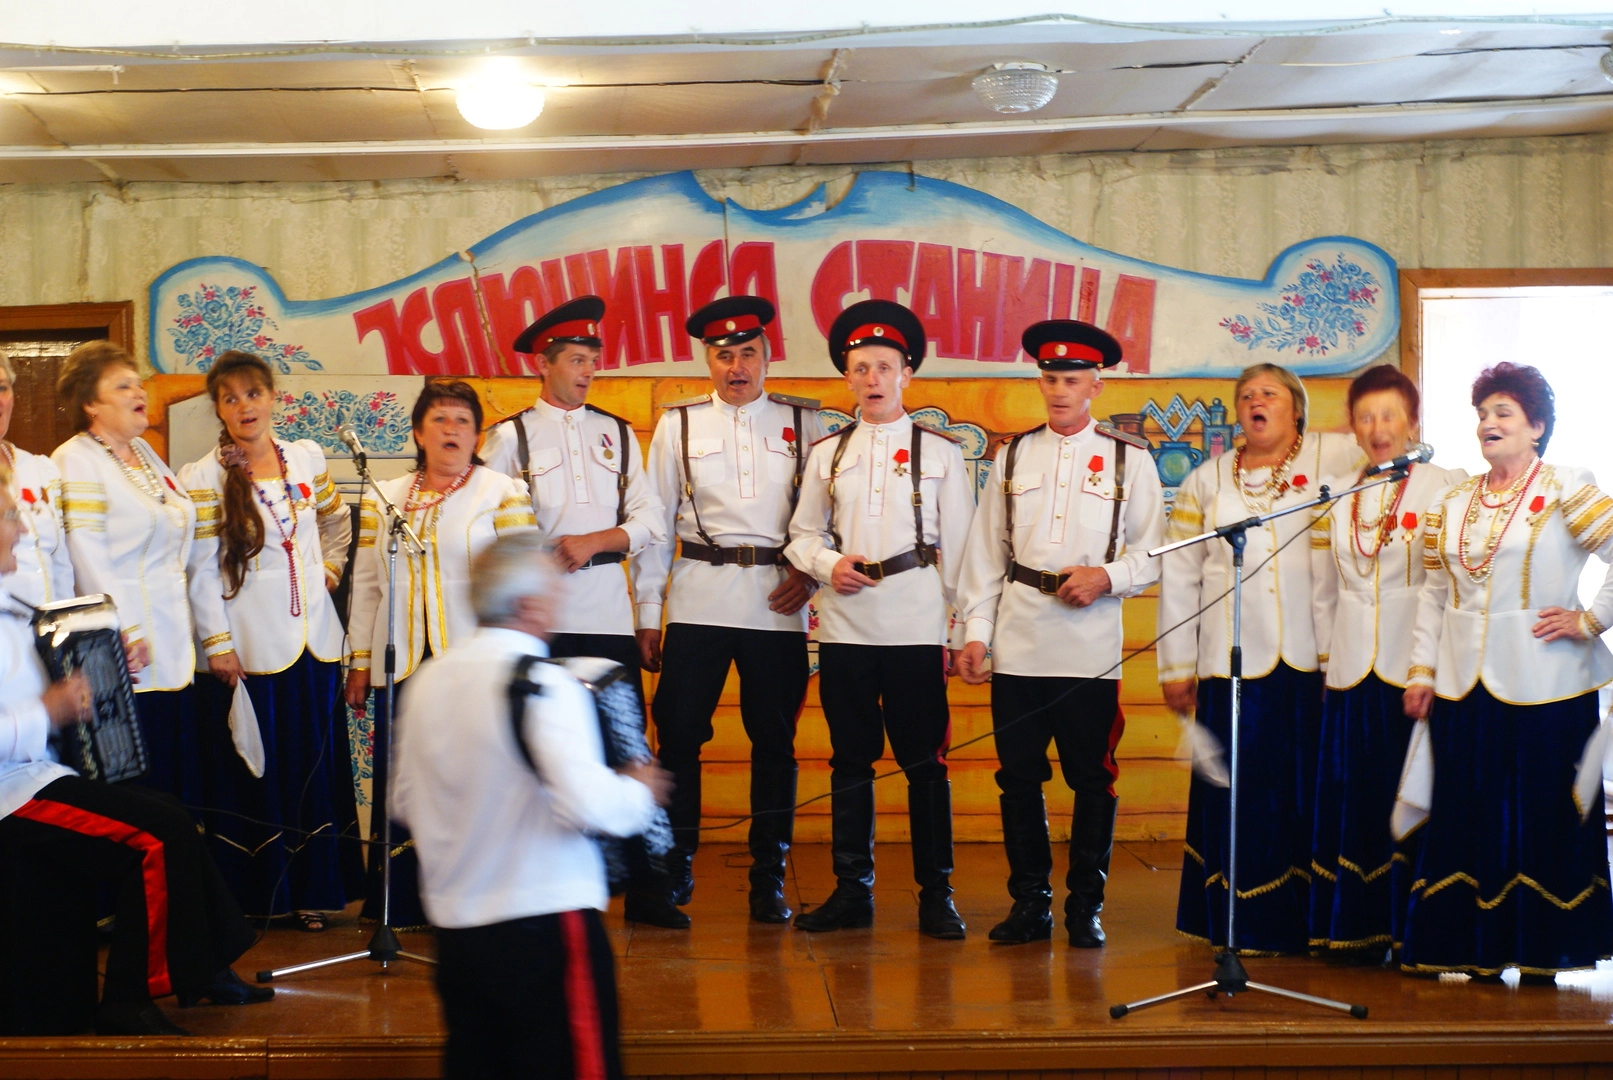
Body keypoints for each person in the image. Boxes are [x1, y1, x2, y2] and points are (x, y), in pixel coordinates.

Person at [0, 471, 272, 1037]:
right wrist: (47, 712)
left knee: (171, 814)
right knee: (156, 836)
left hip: (37, 773)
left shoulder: (12, 605)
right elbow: (36, 709)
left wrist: (104, 659)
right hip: (11, 791)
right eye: (8, 517)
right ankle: (130, 996)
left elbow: (43, 675)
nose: (22, 528)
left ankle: (203, 967)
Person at [392, 530, 670, 1080]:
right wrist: (640, 788)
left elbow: (403, 800)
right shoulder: (543, 684)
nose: (559, 601)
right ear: (527, 604)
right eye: (552, 590)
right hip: (546, 925)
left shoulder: (428, 681)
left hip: (457, 928)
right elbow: (592, 806)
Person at [955, 320, 1164, 948]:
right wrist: (976, 633)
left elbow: (1154, 553)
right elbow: (985, 556)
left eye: (1072, 380)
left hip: (1088, 648)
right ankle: (1031, 905)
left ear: (1096, 385)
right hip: (1020, 642)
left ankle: (1084, 908)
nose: (1059, 390)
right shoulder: (1013, 455)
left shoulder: (1131, 460)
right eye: (1050, 378)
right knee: (1018, 777)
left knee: (1091, 778)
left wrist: (1107, 576)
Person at [1400, 362, 1613, 979]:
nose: (1488, 423)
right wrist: (1421, 671)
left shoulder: (1567, 485)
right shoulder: (1453, 501)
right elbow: (1433, 594)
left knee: (1545, 813)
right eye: (1482, 414)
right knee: (1469, 813)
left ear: (1536, 426)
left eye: (1503, 412)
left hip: (1549, 683)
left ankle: (1543, 950)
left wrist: (1591, 619)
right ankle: (1478, 949)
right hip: (1463, 685)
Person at [1156, 362, 1363, 954]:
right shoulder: (1206, 480)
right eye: (1246, 395)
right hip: (1229, 662)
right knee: (1242, 795)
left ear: (1295, 407)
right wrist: (1176, 665)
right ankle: (1245, 921)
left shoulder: (1336, 457)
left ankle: (1313, 922)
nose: (1256, 402)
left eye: (1269, 393)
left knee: (1305, 791)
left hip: (1310, 660)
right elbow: (1180, 576)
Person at [481, 297, 674, 928]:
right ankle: (544, 883)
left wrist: (600, 542)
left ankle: (646, 887)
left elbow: (651, 518)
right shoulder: (509, 437)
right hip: (541, 616)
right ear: (544, 365)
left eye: (593, 359)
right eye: (575, 359)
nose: (588, 370)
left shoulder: (617, 433)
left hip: (607, 610)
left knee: (624, 746)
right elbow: (488, 526)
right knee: (540, 746)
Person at [631, 296, 824, 925]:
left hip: (776, 601)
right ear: (707, 362)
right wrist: (648, 612)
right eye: (723, 355)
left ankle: (769, 875)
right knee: (679, 736)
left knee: (775, 742)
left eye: (747, 353)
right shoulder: (679, 425)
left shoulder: (805, 423)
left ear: (767, 357)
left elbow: (827, 515)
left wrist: (808, 575)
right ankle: (676, 863)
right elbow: (656, 523)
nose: (736, 367)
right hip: (698, 596)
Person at [785, 299, 974, 939]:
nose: (872, 378)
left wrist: (964, 632)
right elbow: (802, 535)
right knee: (850, 761)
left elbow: (965, 555)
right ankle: (851, 892)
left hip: (915, 625)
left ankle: (937, 896)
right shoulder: (828, 453)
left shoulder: (940, 453)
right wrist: (827, 563)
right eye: (861, 367)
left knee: (925, 764)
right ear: (847, 377)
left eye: (884, 367)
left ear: (906, 374)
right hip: (845, 627)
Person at [180, 350, 365, 929]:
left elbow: (337, 522)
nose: (244, 406)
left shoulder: (305, 458)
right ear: (219, 409)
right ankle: (260, 896)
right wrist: (217, 642)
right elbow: (199, 569)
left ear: (272, 398)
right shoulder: (202, 477)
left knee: (314, 765)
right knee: (259, 770)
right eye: (230, 398)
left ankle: (314, 892)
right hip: (252, 648)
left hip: (316, 646)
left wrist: (329, 570)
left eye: (253, 393)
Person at [345, 379, 536, 929]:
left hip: (477, 666)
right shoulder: (384, 496)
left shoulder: (501, 492)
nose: (451, 430)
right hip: (402, 663)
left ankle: (476, 898)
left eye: (462, 421)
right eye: (440, 420)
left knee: (472, 776)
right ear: (418, 433)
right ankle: (401, 902)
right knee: (406, 779)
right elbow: (367, 585)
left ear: (477, 436)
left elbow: (521, 578)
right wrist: (360, 659)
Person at [1308, 364, 1464, 958]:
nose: (1378, 429)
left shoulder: (1446, 486)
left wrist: (1432, 665)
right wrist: (1327, 662)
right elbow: (1324, 590)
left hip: (1414, 666)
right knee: (1358, 797)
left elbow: (1447, 585)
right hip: (1351, 670)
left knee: (1412, 793)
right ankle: (1356, 929)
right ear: (1352, 426)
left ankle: (1415, 932)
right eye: (1366, 417)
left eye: (1390, 415)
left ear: (1412, 421)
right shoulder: (1338, 493)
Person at [53, 341, 200, 806]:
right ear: (90, 403)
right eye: (122, 386)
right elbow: (85, 555)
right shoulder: (76, 458)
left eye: (138, 384)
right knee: (141, 794)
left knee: (178, 786)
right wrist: (125, 632)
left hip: (174, 648)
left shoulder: (144, 452)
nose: (139, 392)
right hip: (126, 657)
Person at [0, 353, 73, 606]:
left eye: (2, 388)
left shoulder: (39, 468)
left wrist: (68, 622)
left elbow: (61, 564)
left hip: (48, 625)